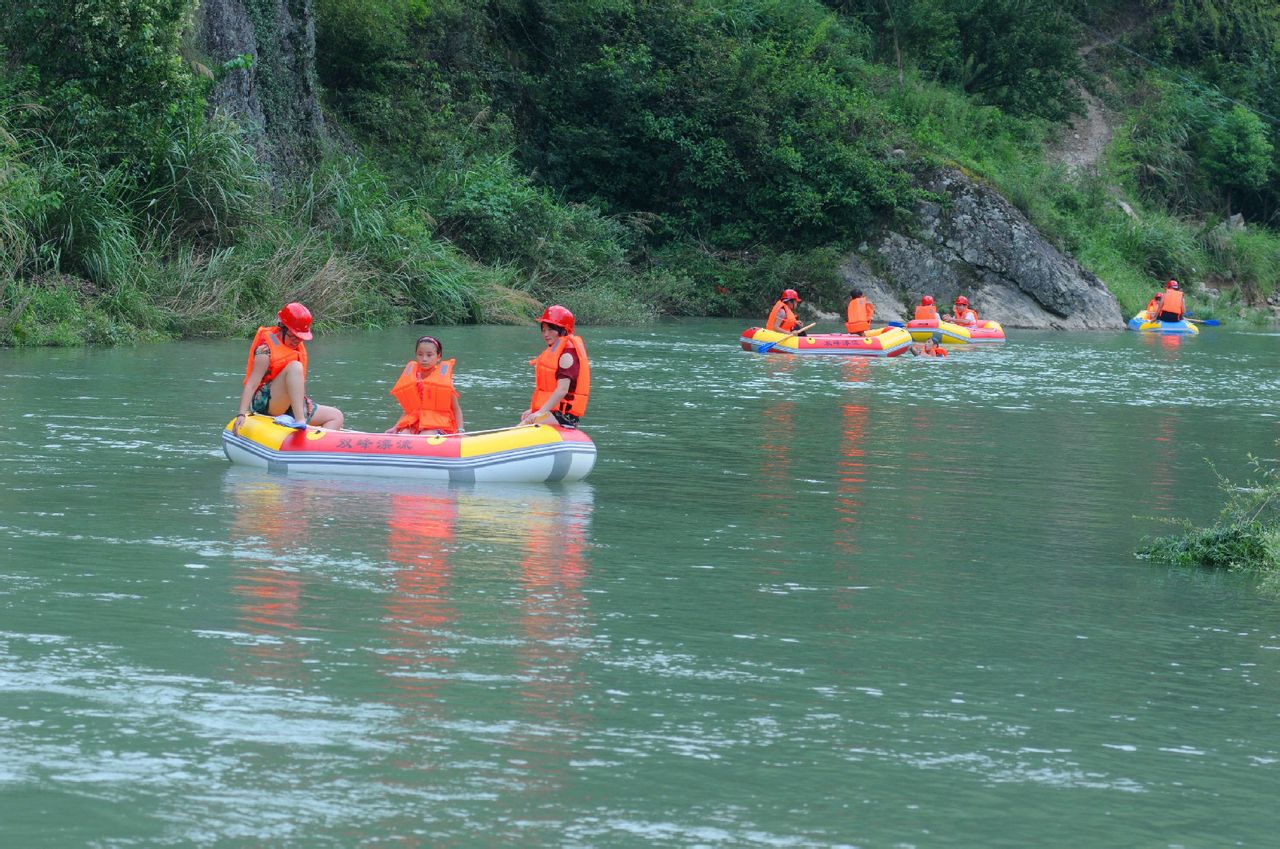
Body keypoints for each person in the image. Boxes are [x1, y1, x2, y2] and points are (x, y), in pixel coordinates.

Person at [234, 302, 344, 433]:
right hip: (266, 402)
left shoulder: (296, 347)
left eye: (300, 338)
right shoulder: (265, 350)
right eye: (293, 336)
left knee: (336, 416)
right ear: (282, 328)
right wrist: (241, 414)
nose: (296, 341)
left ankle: (315, 448)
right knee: (295, 367)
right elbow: (252, 384)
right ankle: (300, 421)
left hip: (289, 405)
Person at [521, 305, 590, 428]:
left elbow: (562, 390)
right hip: (554, 412)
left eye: (551, 329)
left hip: (564, 417)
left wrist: (540, 412)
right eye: (543, 330)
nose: (546, 334)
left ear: (563, 330)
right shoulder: (558, 352)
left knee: (524, 425)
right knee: (526, 418)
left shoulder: (567, 356)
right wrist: (534, 410)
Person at [386, 335, 463, 435]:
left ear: (438, 357)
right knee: (404, 433)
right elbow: (410, 410)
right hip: (415, 424)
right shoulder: (414, 378)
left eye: (429, 355)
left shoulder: (443, 380)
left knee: (426, 434)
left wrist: (460, 431)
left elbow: (456, 409)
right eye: (420, 354)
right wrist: (396, 427)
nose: (424, 359)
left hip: (438, 425)